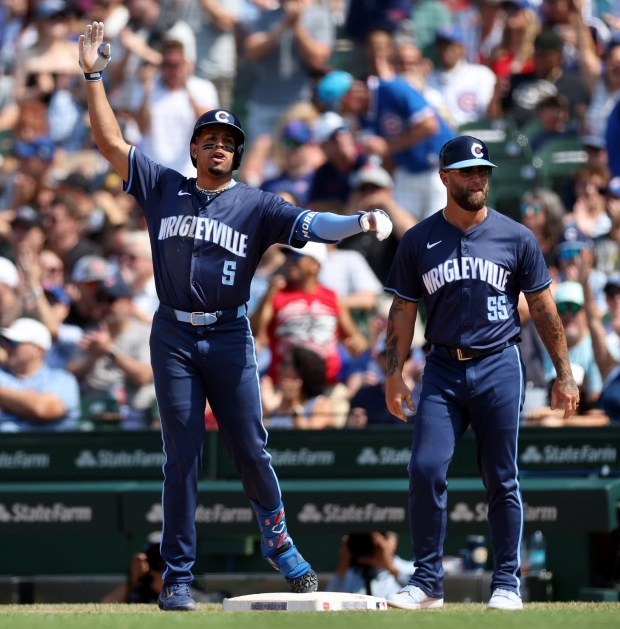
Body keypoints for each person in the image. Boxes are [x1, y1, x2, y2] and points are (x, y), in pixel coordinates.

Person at [78, 21, 393, 612]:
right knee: (183, 455)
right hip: (172, 333)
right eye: (210, 137)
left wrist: (355, 223)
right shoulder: (162, 185)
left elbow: (312, 226)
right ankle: (177, 576)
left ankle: (279, 539)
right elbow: (109, 141)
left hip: (226, 333)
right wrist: (93, 75)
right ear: (194, 147)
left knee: (250, 444)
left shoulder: (256, 204)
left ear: (236, 152)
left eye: (229, 139)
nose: (219, 145)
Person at [382, 135, 580, 611]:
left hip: (498, 363)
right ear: (445, 177)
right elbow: (403, 311)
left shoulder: (516, 236)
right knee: (426, 468)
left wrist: (565, 374)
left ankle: (507, 583)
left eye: (483, 171)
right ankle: (427, 581)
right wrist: (394, 373)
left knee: (501, 477)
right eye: (468, 171)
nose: (478, 179)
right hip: (443, 367)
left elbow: (545, 309)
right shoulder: (419, 240)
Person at [0, 317, 80, 432]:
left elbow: (43, 409)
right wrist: (25, 400)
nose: (7, 347)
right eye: (5, 342)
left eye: (14, 343)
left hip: (50, 448)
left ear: (36, 349)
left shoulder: (62, 379)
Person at [327, 531, 415, 598]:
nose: (374, 544)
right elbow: (329, 600)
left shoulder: (411, 569)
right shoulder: (351, 573)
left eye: (383, 537)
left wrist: (391, 568)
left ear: (394, 540)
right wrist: (342, 567)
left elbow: (419, 594)